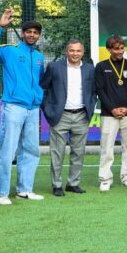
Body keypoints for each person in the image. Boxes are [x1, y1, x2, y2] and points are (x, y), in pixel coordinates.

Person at [0, 9, 46, 204]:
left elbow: (39, 81)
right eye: (29, 32)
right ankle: (1, 193)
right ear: (23, 33)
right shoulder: (9, 51)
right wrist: (0, 26)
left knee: (31, 150)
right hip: (13, 107)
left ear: (38, 36)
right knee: (8, 151)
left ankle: (24, 190)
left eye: (35, 33)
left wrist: (39, 99)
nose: (32, 35)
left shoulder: (39, 57)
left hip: (33, 109)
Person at [41, 40, 96, 197]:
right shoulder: (54, 67)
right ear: (66, 52)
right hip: (60, 115)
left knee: (78, 152)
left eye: (78, 51)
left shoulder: (89, 69)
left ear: (83, 53)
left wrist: (90, 107)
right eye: (72, 50)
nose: (75, 54)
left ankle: (73, 183)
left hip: (81, 115)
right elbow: (43, 88)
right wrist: (48, 109)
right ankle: (56, 185)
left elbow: (93, 91)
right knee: (57, 152)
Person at [95, 35, 127, 191]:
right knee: (106, 147)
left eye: (122, 48)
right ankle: (105, 179)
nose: (120, 51)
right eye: (116, 49)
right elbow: (100, 90)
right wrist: (112, 109)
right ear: (109, 49)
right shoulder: (101, 66)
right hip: (109, 114)